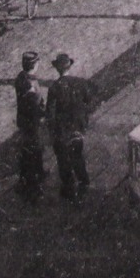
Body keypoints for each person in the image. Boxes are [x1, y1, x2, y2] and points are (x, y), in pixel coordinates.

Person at [44, 53, 95, 201]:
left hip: (62, 130)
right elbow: (89, 99)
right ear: (70, 66)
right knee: (77, 155)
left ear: (57, 69)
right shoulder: (80, 82)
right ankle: (84, 182)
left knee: (63, 159)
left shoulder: (54, 88)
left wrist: (52, 131)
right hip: (78, 127)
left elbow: (50, 114)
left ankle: (68, 187)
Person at [14, 51, 47, 204]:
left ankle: (33, 176)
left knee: (30, 150)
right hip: (32, 123)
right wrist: (44, 112)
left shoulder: (21, 78)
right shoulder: (30, 84)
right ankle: (33, 186)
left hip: (24, 122)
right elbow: (35, 105)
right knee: (33, 151)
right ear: (34, 65)